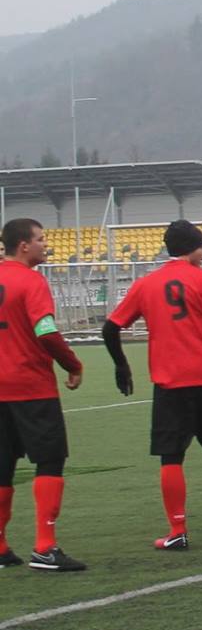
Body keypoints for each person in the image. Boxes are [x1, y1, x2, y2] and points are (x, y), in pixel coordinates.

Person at [103, 220, 202, 550]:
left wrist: (121, 365)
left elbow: (111, 327)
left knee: (171, 457)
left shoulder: (146, 284)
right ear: (192, 248)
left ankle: (177, 530)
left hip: (170, 381)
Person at [0, 218, 86, 571]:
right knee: (50, 460)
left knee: (2, 466)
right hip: (30, 386)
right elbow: (46, 331)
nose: (45, 244)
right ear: (24, 245)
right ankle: (45, 547)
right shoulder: (31, 280)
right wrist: (72, 364)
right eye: (40, 239)